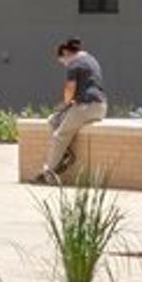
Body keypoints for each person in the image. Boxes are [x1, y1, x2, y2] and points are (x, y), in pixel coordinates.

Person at [42, 36, 110, 179]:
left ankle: (49, 172)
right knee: (53, 120)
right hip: (100, 106)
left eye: (63, 61)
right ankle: (66, 154)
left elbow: (69, 89)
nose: (65, 65)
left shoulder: (74, 63)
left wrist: (66, 103)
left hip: (86, 107)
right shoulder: (91, 59)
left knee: (59, 135)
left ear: (66, 53)